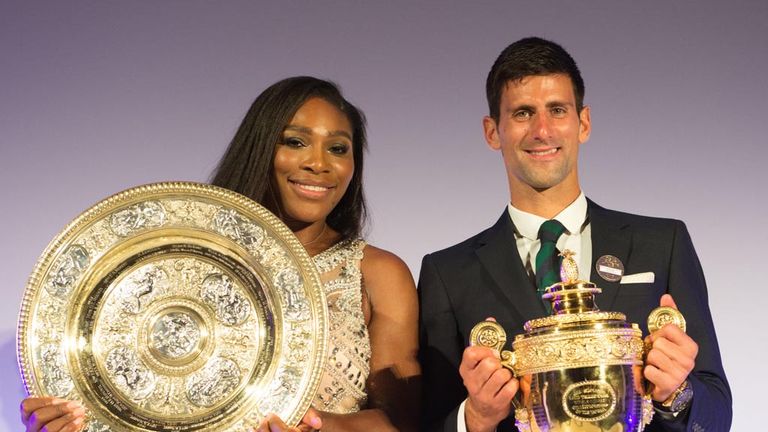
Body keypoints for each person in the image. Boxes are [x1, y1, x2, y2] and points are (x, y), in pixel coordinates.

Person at [20, 76, 420, 432]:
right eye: (295, 142)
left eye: (338, 148)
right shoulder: (177, 253)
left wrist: (317, 425)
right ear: (260, 148)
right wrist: (69, 421)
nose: (319, 163)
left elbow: (403, 420)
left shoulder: (378, 273)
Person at [418, 37, 731, 432]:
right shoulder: (447, 273)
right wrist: (475, 418)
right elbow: (427, 421)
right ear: (492, 131)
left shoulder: (662, 244)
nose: (542, 130)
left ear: (583, 123)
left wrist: (675, 394)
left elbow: (718, 412)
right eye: (522, 113)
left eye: (557, 110)